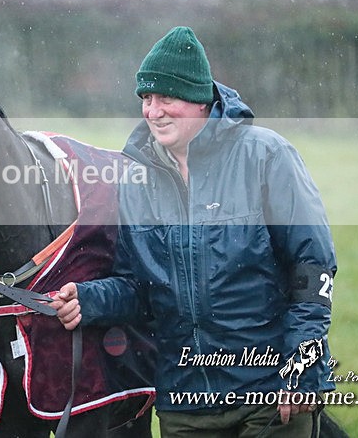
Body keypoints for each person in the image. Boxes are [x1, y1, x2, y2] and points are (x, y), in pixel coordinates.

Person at [50, 26, 337, 437]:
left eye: (167, 98)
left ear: (201, 99)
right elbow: (139, 288)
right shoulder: (136, 182)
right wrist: (89, 300)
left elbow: (312, 272)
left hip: (270, 397)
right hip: (185, 404)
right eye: (146, 99)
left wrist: (303, 367)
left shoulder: (267, 156)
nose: (153, 111)